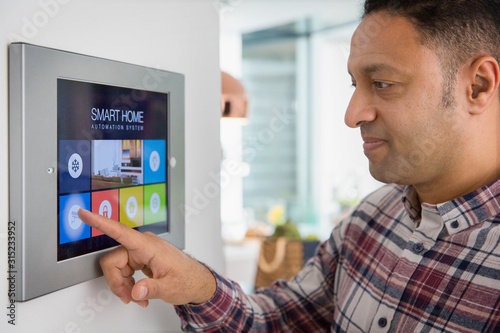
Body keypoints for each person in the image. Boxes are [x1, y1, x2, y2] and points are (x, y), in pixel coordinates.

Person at [79, 0, 500, 331]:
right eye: (355, 84)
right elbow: (272, 323)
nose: (352, 114)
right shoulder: (369, 221)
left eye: (383, 84)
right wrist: (196, 282)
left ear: (478, 85)